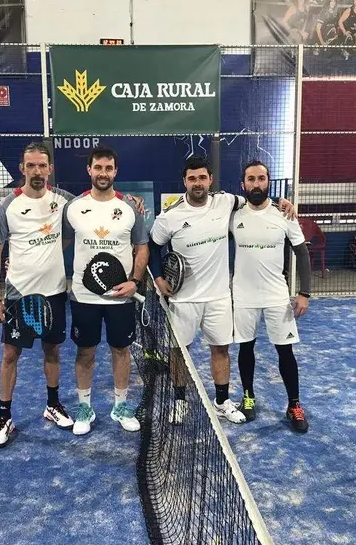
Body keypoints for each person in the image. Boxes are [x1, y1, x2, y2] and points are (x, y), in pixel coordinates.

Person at [148, 157, 297, 425]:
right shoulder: (170, 217)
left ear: (210, 180)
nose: (197, 183)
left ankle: (222, 402)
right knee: (180, 352)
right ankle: (180, 400)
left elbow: (257, 201)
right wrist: (158, 277)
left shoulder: (226, 201)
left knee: (221, 349)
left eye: (202, 178)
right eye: (192, 178)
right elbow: (152, 246)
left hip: (218, 297)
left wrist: (280, 203)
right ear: (185, 181)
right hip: (183, 300)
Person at [0, 142, 77, 448]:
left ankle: (52, 405)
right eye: (31, 166)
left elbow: (96, 207)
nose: (37, 171)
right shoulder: (7, 206)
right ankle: (4, 416)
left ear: (50, 168)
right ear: (21, 168)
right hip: (18, 295)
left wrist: (131, 203)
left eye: (42, 165)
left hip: (54, 292)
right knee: (10, 354)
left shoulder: (63, 200)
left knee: (52, 351)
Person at [62, 146, 149, 436]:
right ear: (89, 170)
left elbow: (142, 248)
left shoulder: (130, 208)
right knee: (85, 352)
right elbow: (56, 242)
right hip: (84, 297)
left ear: (116, 172)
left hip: (120, 296)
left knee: (120, 350)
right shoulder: (73, 207)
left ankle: (120, 406)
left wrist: (135, 282)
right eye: (98, 168)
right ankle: (84, 408)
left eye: (108, 168)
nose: (103, 173)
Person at [230, 161, 312, 433]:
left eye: (262, 178)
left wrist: (304, 293)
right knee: (245, 349)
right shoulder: (233, 215)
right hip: (243, 296)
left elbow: (301, 252)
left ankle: (294, 405)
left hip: (277, 296)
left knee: (285, 352)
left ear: (268, 182)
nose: (256, 184)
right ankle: (248, 397)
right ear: (243, 184)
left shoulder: (284, 214)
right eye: (251, 179)